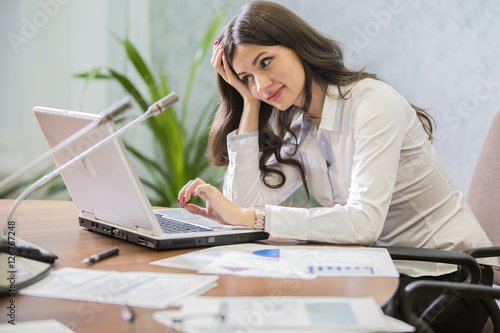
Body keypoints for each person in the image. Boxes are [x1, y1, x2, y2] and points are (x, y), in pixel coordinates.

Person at [177, 1, 497, 331]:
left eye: (266, 62)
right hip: (384, 270)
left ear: (296, 45)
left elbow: (363, 222)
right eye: (247, 77)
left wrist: (253, 217)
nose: (261, 83)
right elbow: (241, 206)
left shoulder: (372, 103)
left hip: (450, 276)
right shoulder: (301, 125)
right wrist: (248, 102)